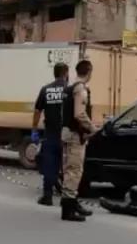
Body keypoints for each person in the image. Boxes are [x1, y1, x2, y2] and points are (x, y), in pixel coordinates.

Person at [60, 59, 95, 222]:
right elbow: (79, 114)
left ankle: (71, 204)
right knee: (74, 171)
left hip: (68, 133)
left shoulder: (68, 88)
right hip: (75, 135)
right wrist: (92, 128)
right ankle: (68, 210)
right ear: (89, 72)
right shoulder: (80, 89)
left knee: (69, 170)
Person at [32, 62, 69, 206]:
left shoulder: (45, 89)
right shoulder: (69, 89)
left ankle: (47, 196)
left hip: (50, 134)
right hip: (66, 134)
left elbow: (37, 111)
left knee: (49, 165)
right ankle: (67, 198)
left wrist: (34, 129)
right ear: (66, 73)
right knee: (67, 166)